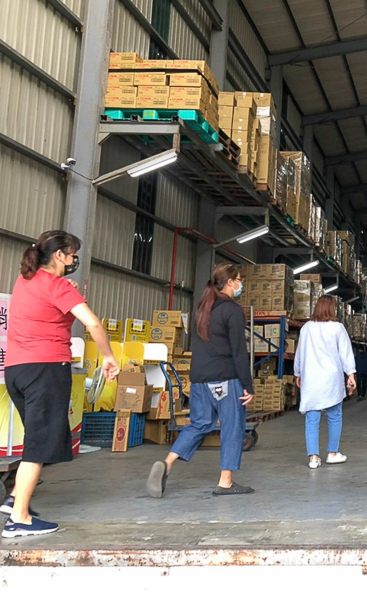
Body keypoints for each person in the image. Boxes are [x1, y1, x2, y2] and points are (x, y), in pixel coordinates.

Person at [2, 231, 120, 538]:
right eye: (71, 254)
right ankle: (19, 518)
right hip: (46, 368)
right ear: (59, 256)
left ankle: (16, 498)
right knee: (39, 444)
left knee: (36, 436)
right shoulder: (57, 286)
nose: (73, 260)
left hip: (16, 369)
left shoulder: (25, 281)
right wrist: (108, 356)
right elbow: (92, 322)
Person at [147, 263, 255, 499]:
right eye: (238, 280)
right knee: (232, 427)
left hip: (199, 378)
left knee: (199, 423)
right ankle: (225, 481)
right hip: (225, 377)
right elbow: (238, 351)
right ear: (229, 283)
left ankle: (167, 463)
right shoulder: (232, 311)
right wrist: (248, 385)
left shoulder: (203, 308)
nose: (240, 284)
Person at [294, 296, 356, 469]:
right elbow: (345, 352)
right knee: (334, 416)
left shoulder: (306, 328)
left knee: (311, 419)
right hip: (331, 378)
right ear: (332, 309)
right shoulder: (337, 328)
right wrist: (350, 373)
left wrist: (298, 373)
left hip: (311, 378)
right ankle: (332, 453)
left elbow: (300, 353)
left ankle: (313, 458)